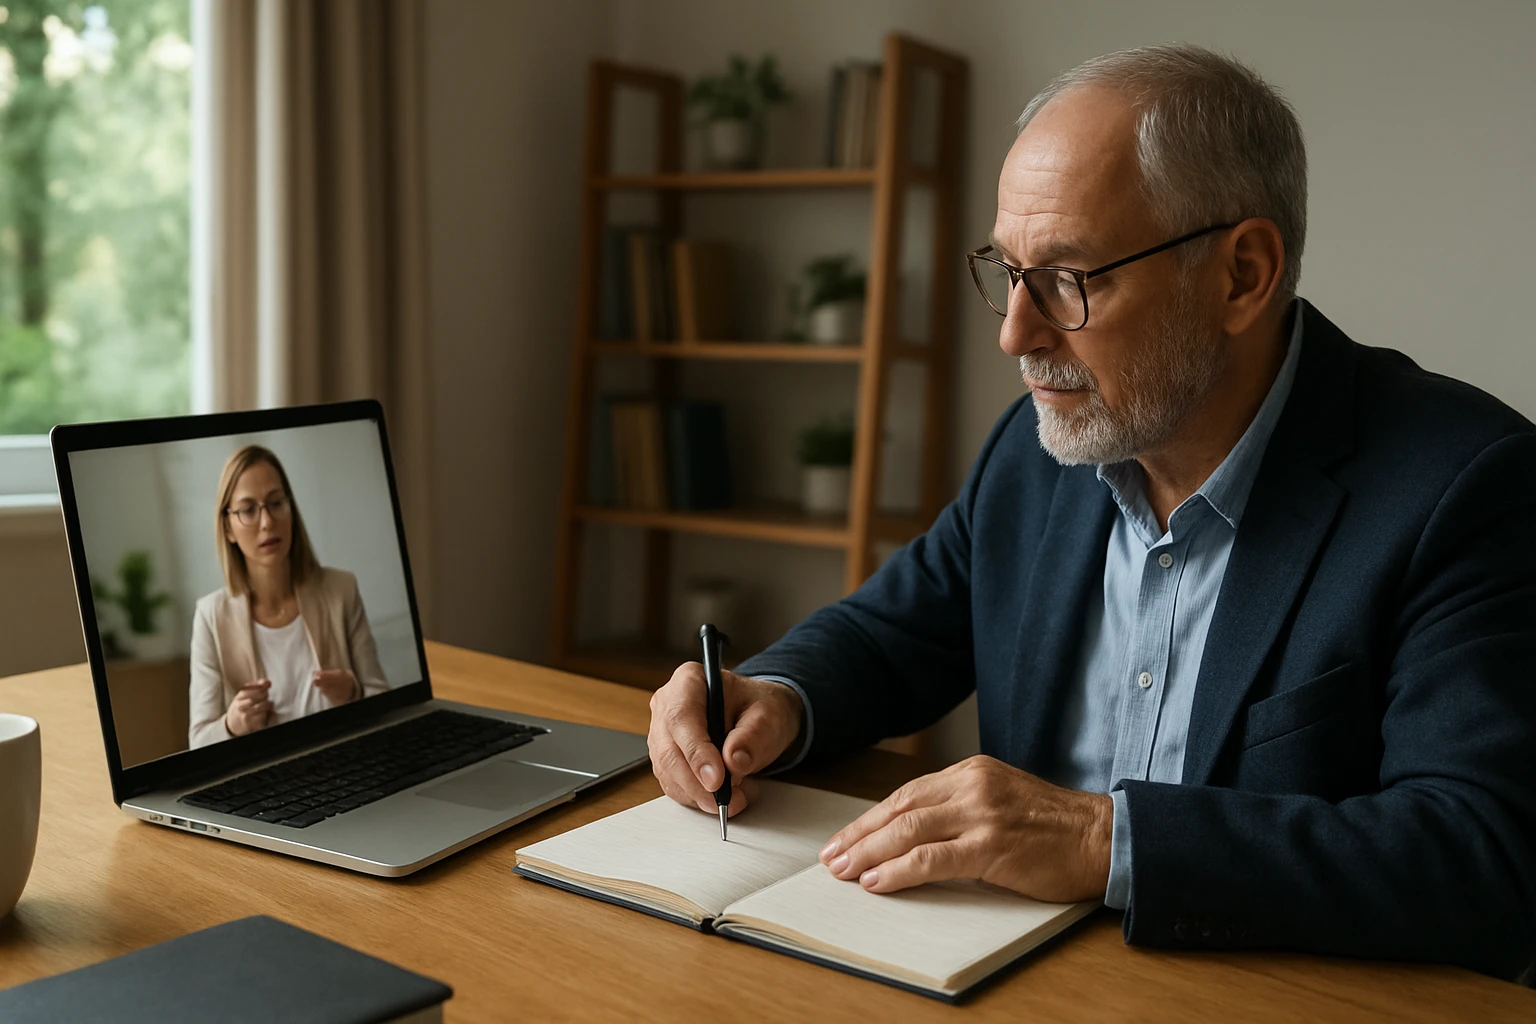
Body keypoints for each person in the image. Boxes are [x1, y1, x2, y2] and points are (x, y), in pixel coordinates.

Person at [646, 45, 1536, 980]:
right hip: (1004, 979)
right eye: (1007, 268)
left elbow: (1485, 858)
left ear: (1242, 274)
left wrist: (1104, 839)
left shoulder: (1468, 486)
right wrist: (775, 697)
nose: (1014, 333)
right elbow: (889, 635)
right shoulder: (1044, 450)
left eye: (1068, 279)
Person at [189, 445, 388, 747]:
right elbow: (199, 741)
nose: (267, 522)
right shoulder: (210, 616)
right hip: (267, 782)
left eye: (276, 502)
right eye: (248, 510)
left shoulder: (341, 590)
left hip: (347, 763)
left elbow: (387, 703)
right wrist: (233, 725)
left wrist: (353, 694)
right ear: (227, 527)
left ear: (291, 508)